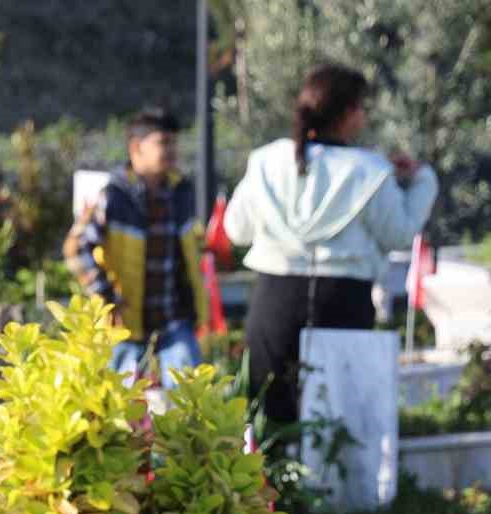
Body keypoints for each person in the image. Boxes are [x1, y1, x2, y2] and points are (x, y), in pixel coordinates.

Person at [224, 63, 437, 426]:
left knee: (269, 415)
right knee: (338, 417)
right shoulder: (368, 170)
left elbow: (236, 230)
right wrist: (423, 181)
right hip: (344, 299)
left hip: (274, 297)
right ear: (348, 113)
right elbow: (398, 234)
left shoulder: (267, 161)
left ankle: (269, 485)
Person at [64, 108, 209, 386]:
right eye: (163, 143)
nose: (171, 150)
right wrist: (107, 297)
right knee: (116, 409)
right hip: (125, 325)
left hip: (175, 319)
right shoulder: (114, 195)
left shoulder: (182, 192)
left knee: (190, 402)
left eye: (174, 143)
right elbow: (75, 247)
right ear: (136, 147)